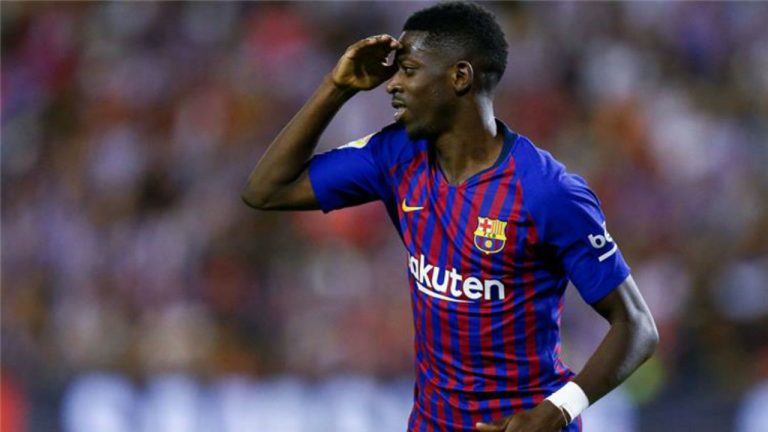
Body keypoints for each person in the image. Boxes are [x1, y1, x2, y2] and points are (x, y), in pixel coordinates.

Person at [241, 2, 659, 431]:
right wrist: (336, 87)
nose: (392, 84)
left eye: (409, 70)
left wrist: (559, 409)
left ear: (460, 77)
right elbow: (265, 190)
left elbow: (637, 326)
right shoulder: (396, 154)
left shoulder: (547, 191)